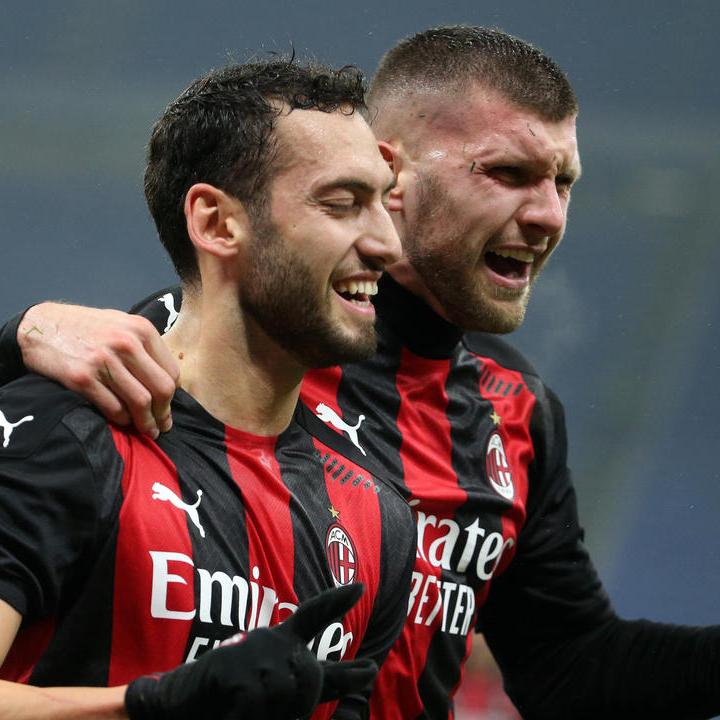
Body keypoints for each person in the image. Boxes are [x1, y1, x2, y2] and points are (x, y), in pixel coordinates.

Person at [2, 25, 720, 720]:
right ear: (395, 171)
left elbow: (566, 665)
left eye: (565, 183)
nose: (548, 215)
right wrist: (21, 334)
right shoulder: (225, 338)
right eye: (507, 174)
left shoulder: (509, 415)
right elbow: (47, 441)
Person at [0, 57, 417, 720]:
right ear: (218, 223)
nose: (388, 245)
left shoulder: (377, 517)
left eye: (384, 204)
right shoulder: (61, 436)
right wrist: (150, 705)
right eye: (342, 204)